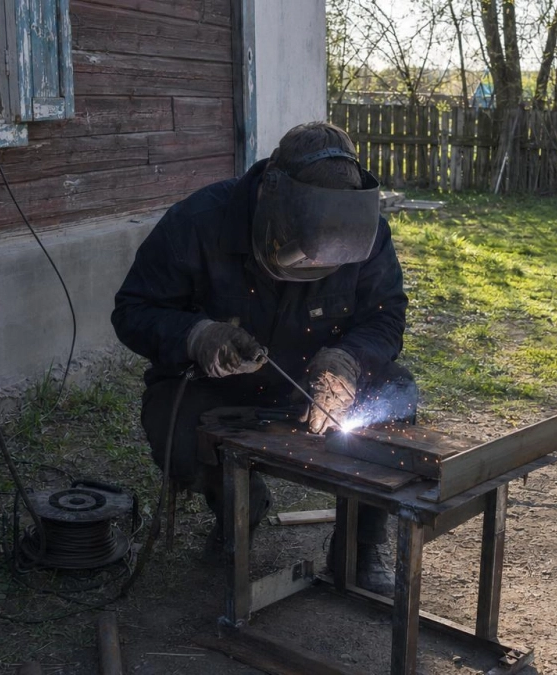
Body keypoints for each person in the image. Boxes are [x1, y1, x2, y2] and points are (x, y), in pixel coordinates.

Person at [111, 122, 417, 594]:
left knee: (394, 394)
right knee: (174, 428)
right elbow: (133, 310)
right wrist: (196, 335)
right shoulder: (198, 223)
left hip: (313, 385)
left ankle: (358, 547)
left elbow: (386, 314)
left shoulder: (366, 232)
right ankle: (238, 506)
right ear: (269, 194)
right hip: (218, 385)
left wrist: (348, 360)